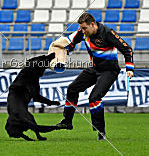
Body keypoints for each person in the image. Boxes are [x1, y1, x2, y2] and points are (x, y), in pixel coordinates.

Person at [53, 12, 134, 140]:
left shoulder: (107, 32)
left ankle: (101, 132)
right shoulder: (83, 32)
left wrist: (129, 68)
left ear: (92, 24)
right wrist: (63, 50)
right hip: (95, 68)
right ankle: (67, 121)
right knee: (72, 89)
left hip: (109, 70)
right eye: (81, 28)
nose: (82, 31)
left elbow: (127, 49)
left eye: (84, 28)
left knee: (94, 97)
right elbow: (70, 42)